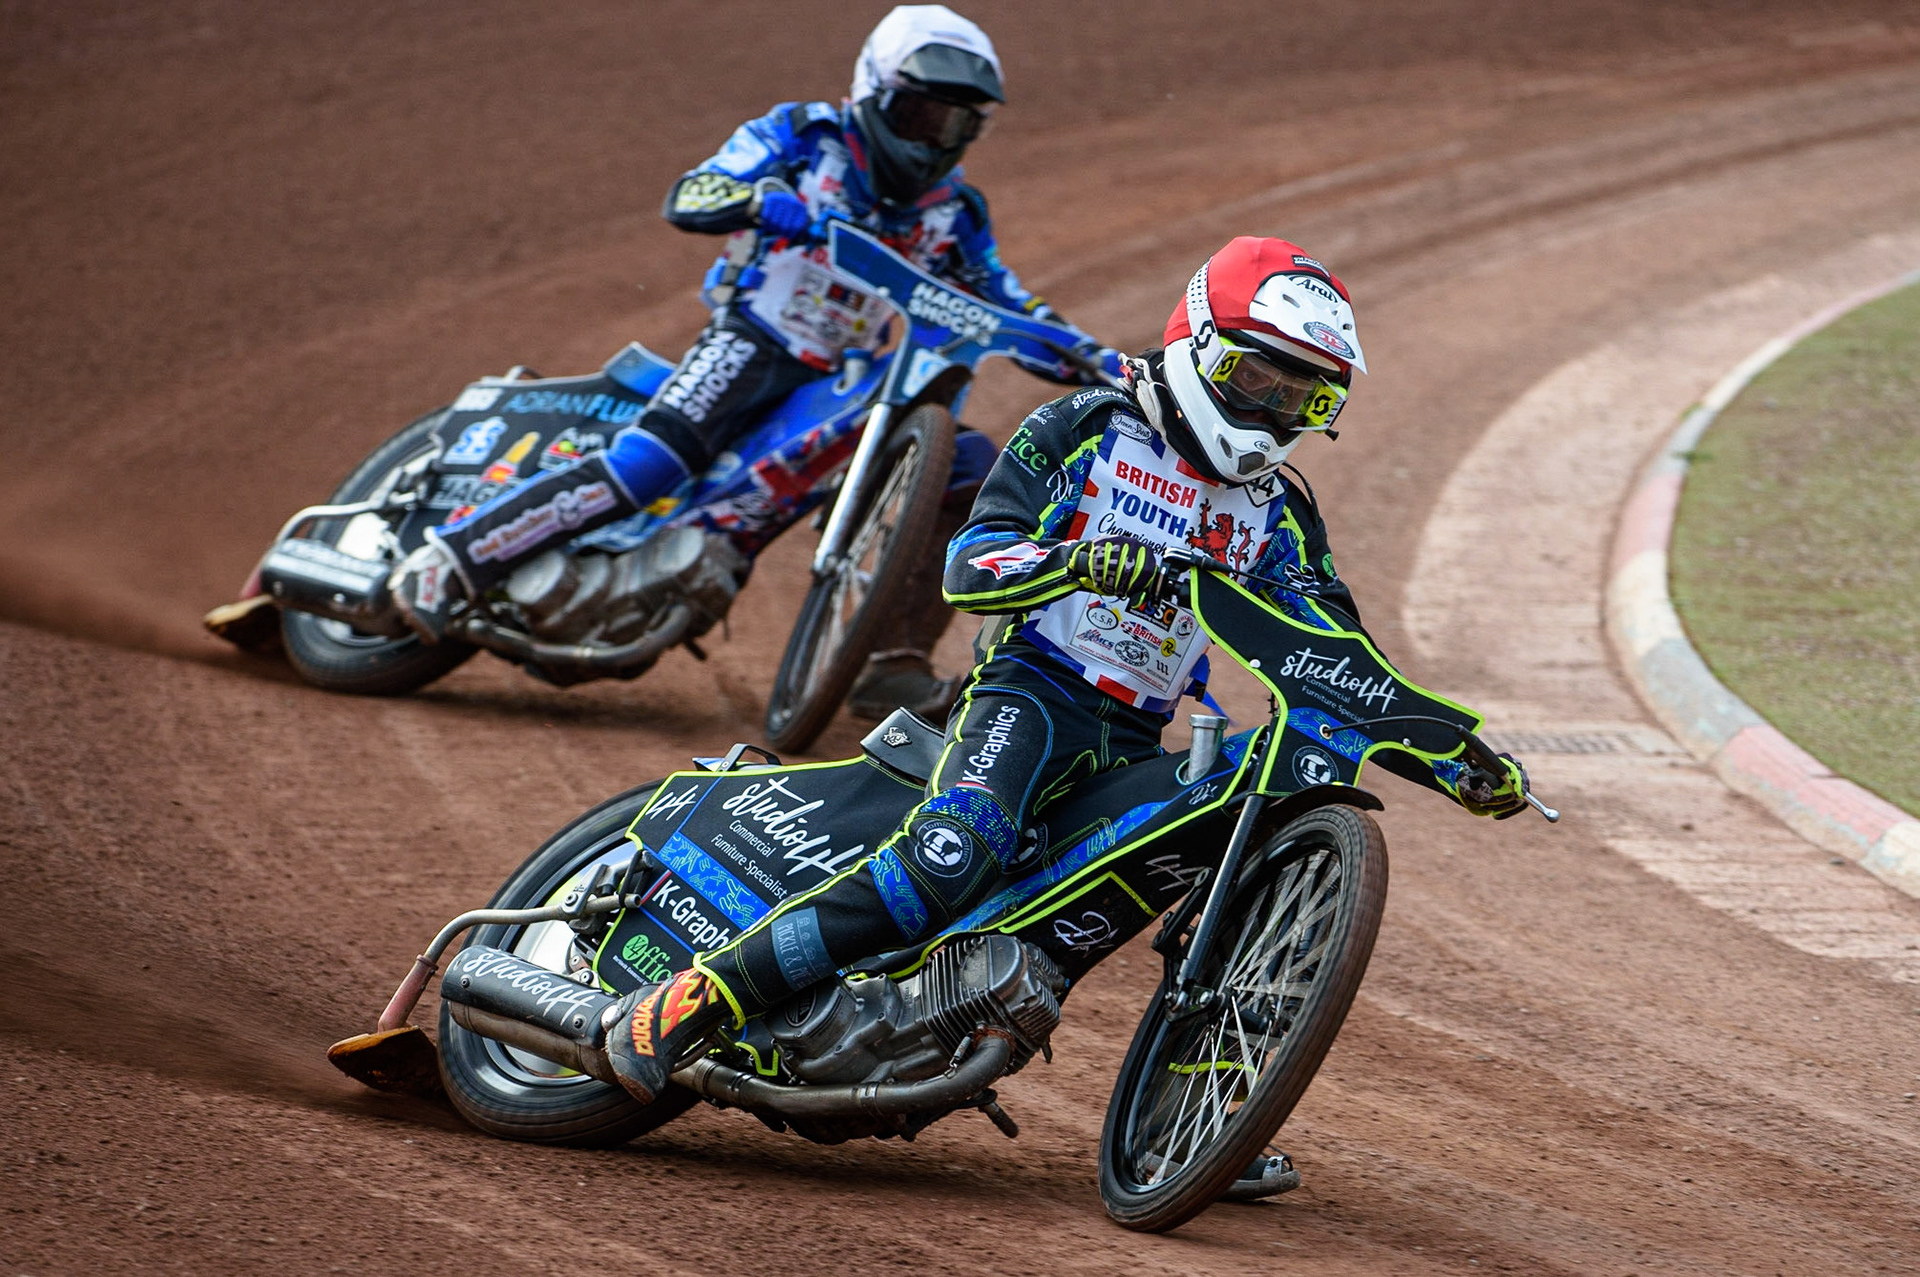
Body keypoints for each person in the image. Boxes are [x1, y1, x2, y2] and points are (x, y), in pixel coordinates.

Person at [598, 235, 1532, 1106]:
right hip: (1028, 693)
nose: (1273, 413)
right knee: (950, 857)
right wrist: (1079, 560)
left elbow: (1339, 660)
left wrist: (1451, 756)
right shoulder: (1089, 423)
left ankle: (1211, 1101)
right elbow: (970, 568)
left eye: (1303, 400)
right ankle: (692, 1003)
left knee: (1215, 829)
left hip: (1134, 734)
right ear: (1199, 342)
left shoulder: (1282, 514)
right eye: (1256, 379)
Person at [388, 5, 1115, 719]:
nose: (935, 138)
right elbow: (693, 192)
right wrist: (760, 198)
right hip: (752, 338)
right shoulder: (803, 138)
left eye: (956, 123)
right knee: (655, 462)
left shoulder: (955, 212)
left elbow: (1006, 298)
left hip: (845, 376)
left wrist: (1093, 358)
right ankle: (454, 558)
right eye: (922, 115)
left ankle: (891, 663)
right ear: (874, 92)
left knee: (964, 469)